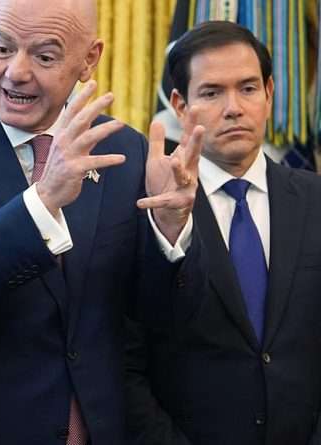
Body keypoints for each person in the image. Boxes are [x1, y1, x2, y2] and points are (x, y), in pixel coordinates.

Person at [0, 0, 206, 443]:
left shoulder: (123, 151)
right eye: (2, 48)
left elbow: (158, 320)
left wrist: (169, 229)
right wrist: (42, 202)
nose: (15, 72)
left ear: (89, 59)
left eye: (44, 56)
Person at [124, 21, 321, 444]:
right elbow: (125, 360)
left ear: (269, 93)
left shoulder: (315, 199)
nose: (234, 108)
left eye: (248, 88)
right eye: (212, 93)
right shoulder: (146, 206)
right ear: (180, 106)